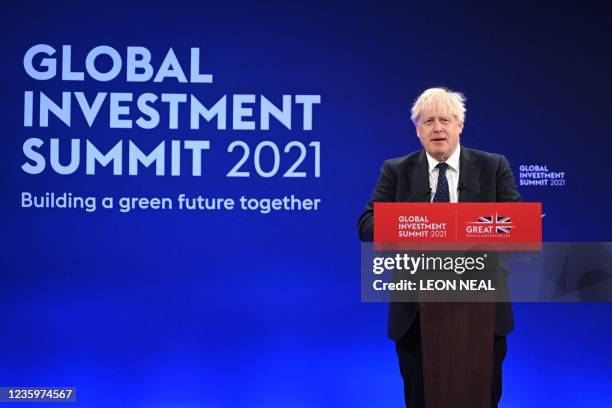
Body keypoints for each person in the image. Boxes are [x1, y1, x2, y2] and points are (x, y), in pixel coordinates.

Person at [357, 87, 520, 408]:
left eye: (445, 119)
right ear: (417, 130)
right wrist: (421, 223)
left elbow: (514, 226)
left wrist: (466, 226)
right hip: (416, 313)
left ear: (460, 125)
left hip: (482, 309)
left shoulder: (493, 166)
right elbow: (366, 226)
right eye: (428, 121)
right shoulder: (396, 170)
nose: (437, 128)